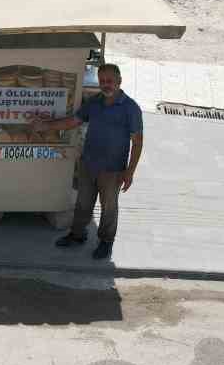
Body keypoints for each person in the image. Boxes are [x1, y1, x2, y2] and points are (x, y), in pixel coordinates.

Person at [30, 62, 144, 261]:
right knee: (83, 204)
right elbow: (73, 121)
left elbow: (138, 142)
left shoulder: (131, 108)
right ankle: (77, 235)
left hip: (113, 170)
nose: (106, 85)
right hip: (88, 164)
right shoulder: (95, 101)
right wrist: (46, 126)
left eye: (109, 81)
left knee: (109, 207)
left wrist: (130, 172)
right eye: (102, 81)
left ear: (119, 82)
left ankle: (106, 242)